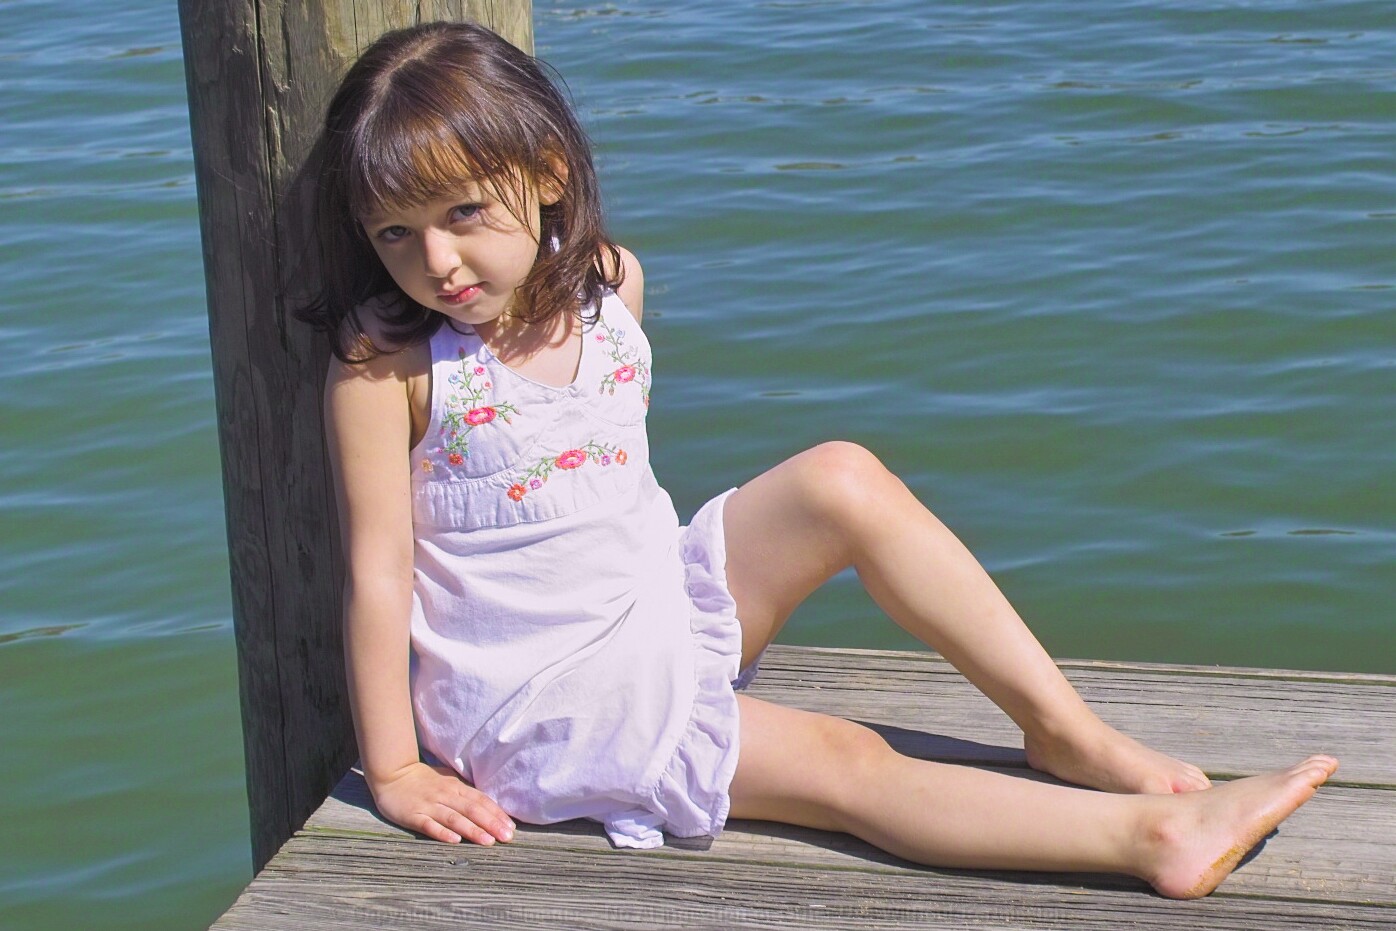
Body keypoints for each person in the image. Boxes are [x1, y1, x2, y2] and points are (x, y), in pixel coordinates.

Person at [300, 20, 1337, 900]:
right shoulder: (388, 369)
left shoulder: (609, 286)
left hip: (648, 605)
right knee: (845, 761)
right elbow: (379, 575)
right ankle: (1153, 837)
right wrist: (394, 768)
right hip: (547, 700)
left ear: (547, 174)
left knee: (842, 476)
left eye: (463, 213)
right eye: (395, 233)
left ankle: (1063, 729)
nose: (437, 260)